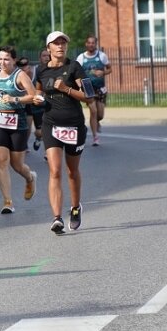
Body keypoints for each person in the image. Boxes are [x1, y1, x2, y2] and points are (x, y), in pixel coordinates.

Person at [37, 31, 93, 235]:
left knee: (71, 171)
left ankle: (76, 207)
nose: (60, 46)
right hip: (51, 124)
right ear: (48, 48)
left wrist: (66, 89)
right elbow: (37, 92)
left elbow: (89, 97)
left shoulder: (74, 67)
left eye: (63, 43)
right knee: (54, 170)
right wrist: (37, 98)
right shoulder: (41, 70)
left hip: (74, 126)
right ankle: (57, 218)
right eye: (56, 43)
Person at [0, 46, 41, 214]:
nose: (2, 62)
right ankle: (7, 201)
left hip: (17, 123)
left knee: (17, 164)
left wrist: (15, 98)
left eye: (6, 59)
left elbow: (33, 96)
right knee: (1, 161)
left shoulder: (20, 75)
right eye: (0, 59)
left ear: (14, 60)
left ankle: (30, 178)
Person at [75, 35, 111, 146]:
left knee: (100, 114)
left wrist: (103, 72)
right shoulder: (81, 58)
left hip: (100, 87)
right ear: (86, 44)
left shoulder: (102, 56)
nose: (91, 45)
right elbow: (76, 72)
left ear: (96, 44)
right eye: (89, 43)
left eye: (93, 43)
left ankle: (97, 122)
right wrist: (79, 83)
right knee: (93, 112)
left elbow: (110, 69)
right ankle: (95, 137)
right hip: (88, 86)